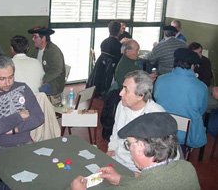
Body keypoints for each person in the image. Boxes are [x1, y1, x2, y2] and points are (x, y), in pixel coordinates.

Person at [71, 112, 200, 190]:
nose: (128, 148)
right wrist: (120, 179)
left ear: (141, 147)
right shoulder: (187, 167)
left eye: (129, 144)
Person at [0, 54, 44, 181]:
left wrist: (14, 130)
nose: (8, 83)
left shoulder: (22, 88)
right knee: (13, 180)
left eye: (11, 77)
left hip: (25, 143)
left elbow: (39, 117)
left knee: (41, 175)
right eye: (2, 78)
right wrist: (19, 115)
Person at [107, 70, 165, 172]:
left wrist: (144, 174)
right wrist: (111, 148)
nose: (120, 93)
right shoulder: (122, 105)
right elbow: (115, 131)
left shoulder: (156, 115)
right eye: (122, 87)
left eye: (126, 90)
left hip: (139, 169)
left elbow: (160, 157)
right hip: (117, 160)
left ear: (140, 95)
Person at [154, 48, 208, 148]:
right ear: (193, 66)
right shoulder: (201, 87)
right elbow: (201, 111)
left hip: (162, 130)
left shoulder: (160, 80)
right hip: (186, 136)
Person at [86, 21, 122, 97]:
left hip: (101, 64)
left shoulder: (104, 42)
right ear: (119, 31)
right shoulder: (118, 45)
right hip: (111, 68)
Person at [28, 26, 65, 95]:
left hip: (53, 83)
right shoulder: (36, 50)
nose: (33, 39)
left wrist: (43, 80)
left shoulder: (54, 51)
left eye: (35, 37)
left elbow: (57, 70)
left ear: (43, 38)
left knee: (34, 91)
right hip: (40, 79)